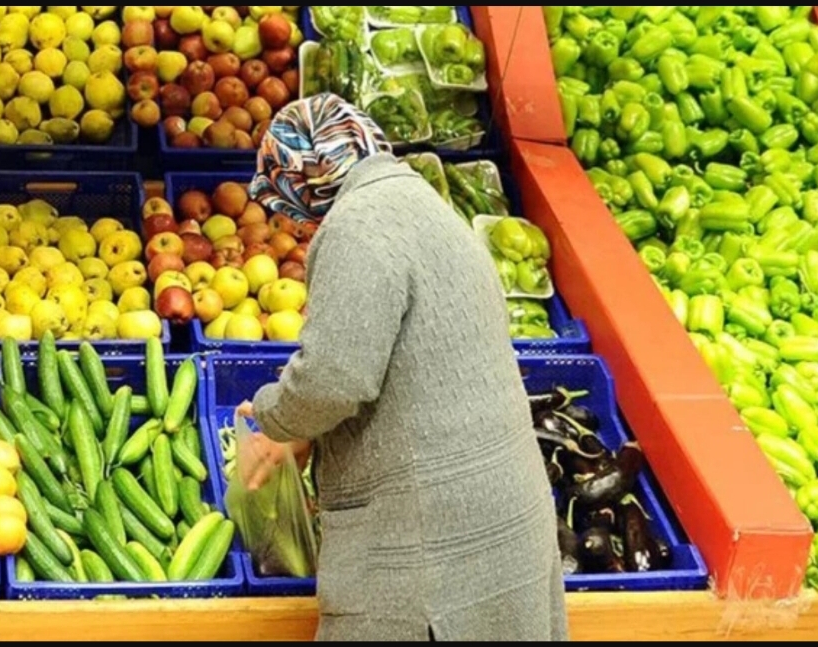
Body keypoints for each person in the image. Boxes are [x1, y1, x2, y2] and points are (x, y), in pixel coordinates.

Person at [234, 94, 568, 642]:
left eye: (283, 200)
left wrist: (277, 417)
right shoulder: (422, 201)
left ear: (303, 179)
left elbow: (334, 377)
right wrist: (308, 436)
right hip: (501, 520)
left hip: (432, 541)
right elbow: (403, 362)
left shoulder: (356, 227)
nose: (288, 220)